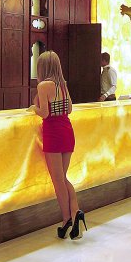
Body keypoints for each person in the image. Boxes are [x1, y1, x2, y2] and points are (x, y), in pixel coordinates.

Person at [29, 51, 87, 240]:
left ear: (42, 67)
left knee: (58, 180)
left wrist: (32, 108)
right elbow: (69, 109)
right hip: (67, 131)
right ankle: (75, 213)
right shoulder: (63, 85)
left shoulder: (43, 85)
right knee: (63, 177)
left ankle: (66, 220)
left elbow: (44, 114)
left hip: (53, 134)